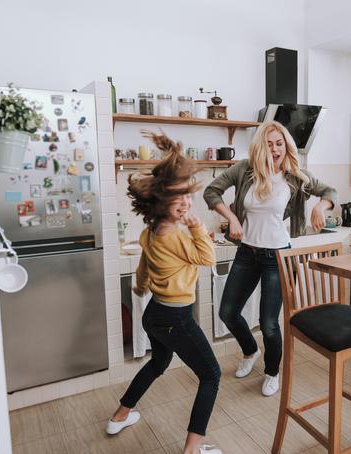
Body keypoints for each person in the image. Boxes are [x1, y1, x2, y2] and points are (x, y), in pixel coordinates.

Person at [107, 132, 222, 454]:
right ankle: (192, 449)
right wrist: (198, 228)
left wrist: (141, 286)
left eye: (187, 196)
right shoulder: (179, 237)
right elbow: (207, 258)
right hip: (176, 317)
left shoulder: (151, 231)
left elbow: (143, 265)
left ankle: (120, 415)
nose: (186, 203)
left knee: (158, 363)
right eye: (178, 198)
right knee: (211, 375)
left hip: (154, 314)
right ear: (161, 202)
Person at [203, 121, 337, 396]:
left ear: (285, 145)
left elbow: (329, 192)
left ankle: (272, 372)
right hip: (247, 253)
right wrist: (230, 219)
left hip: (278, 256)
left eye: (279, 143)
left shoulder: (294, 176)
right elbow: (211, 192)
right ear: (260, 146)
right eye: (269, 143)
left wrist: (320, 208)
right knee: (227, 312)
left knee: (269, 324)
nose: (275, 149)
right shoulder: (244, 169)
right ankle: (250, 351)